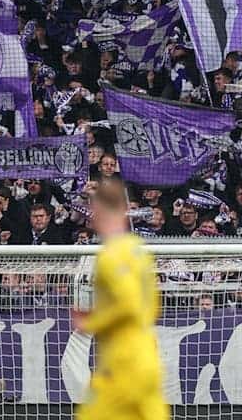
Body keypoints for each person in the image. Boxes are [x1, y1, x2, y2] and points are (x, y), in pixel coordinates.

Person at [72, 179, 167, 420]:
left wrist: (91, 321)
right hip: (146, 354)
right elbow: (153, 305)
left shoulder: (112, 255)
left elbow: (129, 303)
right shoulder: (138, 250)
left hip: (124, 361)